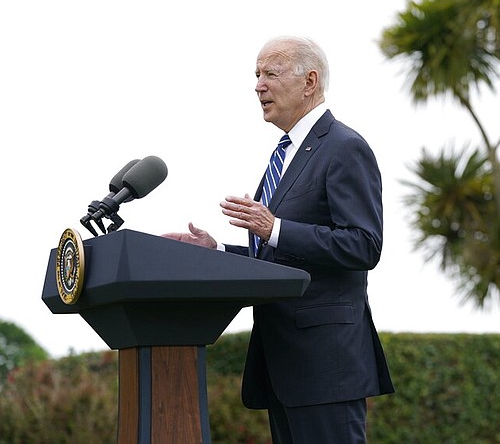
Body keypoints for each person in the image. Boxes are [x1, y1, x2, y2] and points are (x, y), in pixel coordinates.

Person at [162, 36, 394, 443]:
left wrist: (275, 228)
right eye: (256, 75)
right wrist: (216, 254)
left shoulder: (344, 147)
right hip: (283, 363)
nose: (258, 85)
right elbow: (281, 257)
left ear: (310, 81)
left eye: (271, 73)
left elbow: (363, 245)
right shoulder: (282, 154)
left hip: (325, 364)